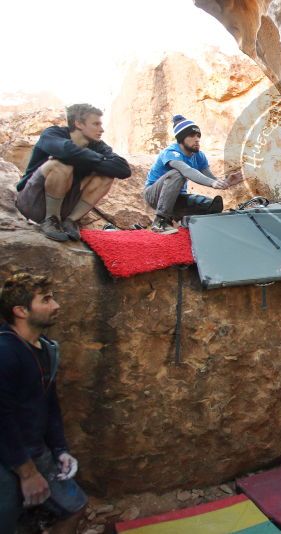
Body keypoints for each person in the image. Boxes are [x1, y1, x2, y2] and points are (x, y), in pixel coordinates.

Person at [0, 273, 86, 534]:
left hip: (36, 450)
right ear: (21, 311)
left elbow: (49, 403)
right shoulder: (5, 353)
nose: (56, 305)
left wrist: (60, 448)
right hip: (8, 457)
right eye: (46, 300)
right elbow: (2, 418)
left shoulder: (45, 349)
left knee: (75, 507)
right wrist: (27, 473)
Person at [15, 103, 132, 242]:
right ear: (78, 123)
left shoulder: (98, 146)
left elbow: (123, 169)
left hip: (65, 206)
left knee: (106, 176)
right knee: (60, 166)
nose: (102, 129)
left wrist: (89, 157)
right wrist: (100, 160)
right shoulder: (53, 133)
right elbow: (65, 150)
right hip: (32, 202)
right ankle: (51, 220)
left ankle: (70, 221)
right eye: (96, 124)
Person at [143, 115, 242, 234]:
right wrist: (213, 183)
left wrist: (226, 182)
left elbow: (211, 179)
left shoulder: (199, 156)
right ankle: (160, 221)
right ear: (181, 139)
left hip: (176, 199)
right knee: (177, 173)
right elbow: (187, 171)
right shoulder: (171, 152)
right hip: (154, 196)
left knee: (209, 205)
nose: (197, 139)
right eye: (192, 135)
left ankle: (185, 222)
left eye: (198, 136)